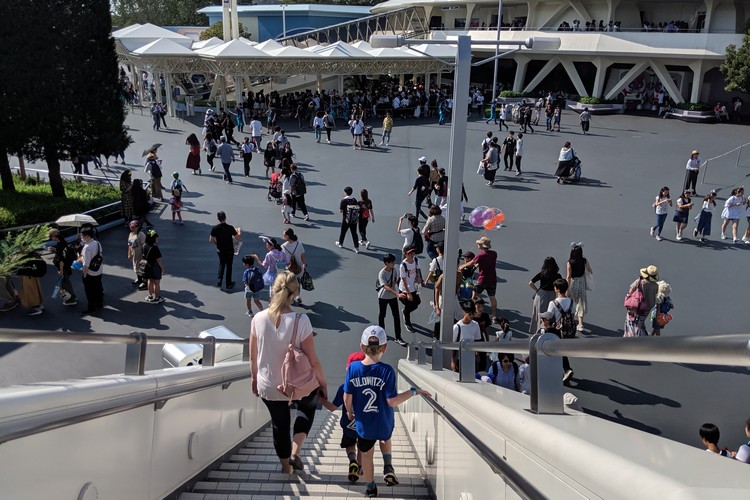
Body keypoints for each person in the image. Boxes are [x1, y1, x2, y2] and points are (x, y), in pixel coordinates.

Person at [250, 271, 327, 474]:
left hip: (269, 384)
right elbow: (313, 360)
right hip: (298, 384)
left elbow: (252, 356)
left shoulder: (257, 319)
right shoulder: (301, 320)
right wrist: (322, 383)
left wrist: (253, 379)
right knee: (308, 406)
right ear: (295, 293)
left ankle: (286, 469)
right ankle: (296, 450)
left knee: (279, 424)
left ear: (273, 289)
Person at [343, 326, 431, 497]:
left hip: (364, 424)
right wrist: (413, 391)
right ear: (384, 348)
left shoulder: (353, 369)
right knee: (385, 438)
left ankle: (370, 487)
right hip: (383, 421)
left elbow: (347, 396)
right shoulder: (387, 371)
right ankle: (388, 465)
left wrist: (349, 411)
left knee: (367, 455)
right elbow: (392, 401)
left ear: (362, 347)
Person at [459, 236, 499, 322]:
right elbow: (487, 263)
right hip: (492, 279)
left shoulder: (480, 255)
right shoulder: (494, 254)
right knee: (492, 298)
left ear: (481, 245)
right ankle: (494, 315)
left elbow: (471, 263)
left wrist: (462, 266)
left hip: (482, 279)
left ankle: (473, 312)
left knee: (474, 296)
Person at [547, 279, 575, 381]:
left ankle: (566, 369)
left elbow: (549, 317)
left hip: (557, 330)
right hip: (569, 330)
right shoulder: (571, 301)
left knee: (556, 350)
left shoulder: (553, 303)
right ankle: (566, 369)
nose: (554, 289)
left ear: (558, 290)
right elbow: (572, 314)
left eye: (555, 287)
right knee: (561, 350)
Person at [528, 256, 563, 333]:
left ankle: (538, 331)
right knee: (550, 314)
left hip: (542, 295)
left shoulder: (542, 273)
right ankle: (549, 331)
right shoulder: (557, 275)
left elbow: (530, 283)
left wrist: (537, 290)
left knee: (539, 314)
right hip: (552, 295)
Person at [624, 265, 659, 337]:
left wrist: (629, 297)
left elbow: (631, 289)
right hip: (646, 308)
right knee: (640, 322)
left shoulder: (640, 281)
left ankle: (630, 337)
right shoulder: (656, 285)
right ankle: (640, 335)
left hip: (636, 306)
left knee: (630, 321)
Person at [377, 253, 405, 346]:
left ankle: (398, 337)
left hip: (392, 296)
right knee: (382, 315)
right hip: (383, 297)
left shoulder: (394, 270)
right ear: (386, 263)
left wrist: (394, 284)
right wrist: (397, 294)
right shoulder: (382, 273)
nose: (394, 263)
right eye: (392, 262)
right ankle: (381, 334)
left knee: (396, 316)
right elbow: (385, 287)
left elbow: (396, 279)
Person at [209, 211, 240, 289]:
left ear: (218, 219)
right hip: (229, 250)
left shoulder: (215, 228)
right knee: (229, 266)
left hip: (220, 250)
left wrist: (217, 244)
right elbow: (238, 238)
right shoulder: (230, 228)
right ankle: (228, 283)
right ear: (225, 218)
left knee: (221, 264)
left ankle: (219, 281)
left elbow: (211, 240)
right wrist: (238, 232)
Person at [566, 244, 592, 333]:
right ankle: (580, 324)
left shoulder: (569, 262)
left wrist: (567, 288)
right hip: (581, 282)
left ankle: (571, 321)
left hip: (573, 283)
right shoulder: (584, 260)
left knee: (571, 302)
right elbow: (590, 270)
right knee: (581, 302)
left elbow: (568, 276)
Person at [48, 229, 77, 306]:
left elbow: (61, 260)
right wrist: (54, 249)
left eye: (51, 236)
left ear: (54, 236)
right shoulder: (63, 242)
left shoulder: (61, 244)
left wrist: (60, 270)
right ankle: (73, 297)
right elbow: (62, 252)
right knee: (67, 283)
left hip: (64, 268)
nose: (51, 238)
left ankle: (71, 299)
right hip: (67, 267)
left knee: (65, 283)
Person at [79, 228, 104, 316]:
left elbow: (86, 264)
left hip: (90, 273)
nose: (81, 237)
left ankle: (91, 308)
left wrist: (85, 275)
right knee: (98, 288)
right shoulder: (97, 243)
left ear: (87, 236)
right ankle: (99, 303)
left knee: (89, 291)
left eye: (82, 235)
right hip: (98, 270)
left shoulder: (87, 247)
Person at [398, 246, 422, 334]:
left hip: (414, 287)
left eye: (413, 252)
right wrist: (408, 293)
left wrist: (419, 277)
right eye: (409, 253)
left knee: (417, 303)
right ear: (405, 254)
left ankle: (405, 312)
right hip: (405, 289)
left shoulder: (415, 260)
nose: (412, 255)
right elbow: (403, 280)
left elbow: (417, 269)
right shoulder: (403, 265)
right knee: (408, 307)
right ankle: (407, 323)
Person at [281, 228, 307, 304]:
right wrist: (304, 264)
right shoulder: (299, 244)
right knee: (298, 283)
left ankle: (291, 298)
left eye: (284, 235)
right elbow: (302, 256)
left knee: (289, 284)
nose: (283, 236)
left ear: (288, 236)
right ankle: (298, 295)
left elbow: (283, 259)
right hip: (299, 268)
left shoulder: (283, 246)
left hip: (289, 269)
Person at [335, 186, 361, 253]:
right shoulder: (354, 200)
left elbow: (341, 210)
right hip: (353, 220)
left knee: (343, 232)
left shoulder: (344, 200)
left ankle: (340, 243)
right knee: (354, 233)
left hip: (346, 219)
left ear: (346, 193)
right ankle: (356, 247)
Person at [142, 230, 165, 304]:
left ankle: (150, 296)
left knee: (150, 281)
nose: (157, 239)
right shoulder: (155, 248)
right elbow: (158, 260)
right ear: (153, 239)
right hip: (154, 267)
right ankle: (157, 298)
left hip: (147, 266)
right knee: (156, 283)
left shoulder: (144, 245)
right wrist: (162, 269)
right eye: (156, 238)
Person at [127, 220, 147, 290]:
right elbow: (129, 245)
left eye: (134, 227)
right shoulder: (131, 234)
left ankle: (145, 283)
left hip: (140, 254)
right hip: (134, 254)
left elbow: (144, 245)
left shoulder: (141, 235)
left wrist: (143, 255)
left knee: (142, 268)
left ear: (138, 227)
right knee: (136, 267)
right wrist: (129, 253)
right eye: (131, 227)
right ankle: (139, 280)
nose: (132, 228)